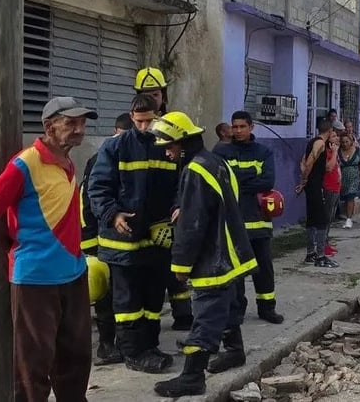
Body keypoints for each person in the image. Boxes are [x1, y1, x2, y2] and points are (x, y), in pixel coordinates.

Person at [0, 96, 96, 400]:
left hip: (73, 273)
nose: (79, 129)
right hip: (36, 279)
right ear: (49, 126)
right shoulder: (25, 163)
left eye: (82, 123)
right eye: (71, 123)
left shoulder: (66, 161)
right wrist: (14, 245)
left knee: (77, 356)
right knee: (33, 364)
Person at [148, 112, 258, 397]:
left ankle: (192, 376)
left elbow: (192, 224)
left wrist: (181, 264)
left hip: (214, 258)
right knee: (230, 305)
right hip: (233, 251)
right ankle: (235, 351)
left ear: (183, 142)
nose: (168, 153)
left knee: (206, 315)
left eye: (170, 146)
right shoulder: (215, 161)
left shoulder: (194, 171)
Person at [88, 94, 177, 373]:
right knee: (127, 302)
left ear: (158, 115)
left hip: (156, 240)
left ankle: (149, 345)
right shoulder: (114, 148)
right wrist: (113, 214)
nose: (143, 127)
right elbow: (98, 188)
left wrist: (177, 211)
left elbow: (179, 187)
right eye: (138, 121)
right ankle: (132, 352)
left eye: (149, 121)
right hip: (122, 243)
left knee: (152, 300)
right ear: (131, 116)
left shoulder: (166, 147)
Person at [133, 66, 193, 331]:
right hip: (145, 208)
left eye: (155, 93)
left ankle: (183, 314)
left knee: (176, 262)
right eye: (145, 94)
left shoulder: (174, 124)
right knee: (151, 267)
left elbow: (186, 171)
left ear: (164, 95)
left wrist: (180, 203)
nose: (152, 99)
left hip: (172, 206)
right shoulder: (134, 126)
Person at [212, 111, 285, 329]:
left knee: (263, 267)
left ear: (251, 127)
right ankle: (237, 310)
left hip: (259, 222)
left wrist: (238, 182)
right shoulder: (222, 151)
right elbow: (221, 179)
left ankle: (267, 307)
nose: (238, 131)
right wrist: (251, 177)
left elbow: (267, 181)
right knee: (238, 269)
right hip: (233, 222)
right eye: (235, 127)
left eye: (242, 126)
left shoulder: (263, 151)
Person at [81, 112, 133, 366]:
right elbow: (88, 202)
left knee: (120, 294)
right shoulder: (101, 158)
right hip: (98, 239)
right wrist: (90, 243)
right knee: (103, 295)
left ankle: (121, 343)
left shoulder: (131, 156)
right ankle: (105, 345)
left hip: (118, 239)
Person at [298, 118, 339, 268]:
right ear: (329, 131)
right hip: (316, 186)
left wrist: (304, 180)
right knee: (321, 220)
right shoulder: (320, 143)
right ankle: (320, 256)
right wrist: (305, 179)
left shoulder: (312, 142)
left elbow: (302, 162)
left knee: (312, 219)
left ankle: (310, 253)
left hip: (311, 185)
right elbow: (309, 162)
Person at [339, 133, 360, 229]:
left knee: (350, 196)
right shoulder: (338, 152)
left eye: (347, 141)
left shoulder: (357, 151)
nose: (345, 144)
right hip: (342, 178)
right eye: (343, 142)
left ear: (351, 142)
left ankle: (348, 219)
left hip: (355, 177)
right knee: (345, 197)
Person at [323, 129, 341, 257]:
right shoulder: (327, 153)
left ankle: (326, 242)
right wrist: (334, 152)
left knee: (331, 217)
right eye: (334, 136)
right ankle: (322, 244)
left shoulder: (334, 153)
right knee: (327, 217)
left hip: (336, 187)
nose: (337, 138)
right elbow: (329, 167)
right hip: (329, 187)